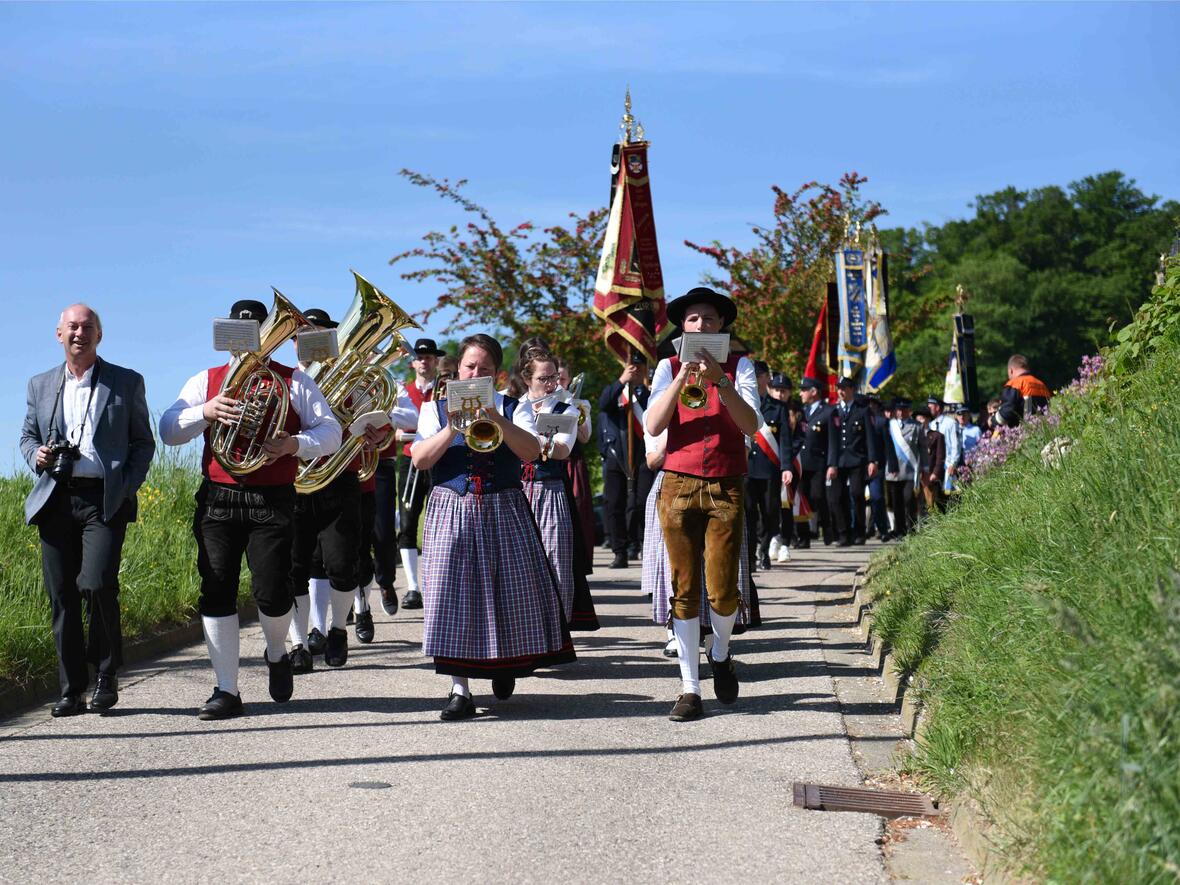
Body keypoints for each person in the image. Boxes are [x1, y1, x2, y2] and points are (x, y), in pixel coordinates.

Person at [159, 299, 341, 720]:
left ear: (267, 334)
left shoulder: (294, 382)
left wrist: (294, 444)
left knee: (273, 592)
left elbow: (331, 432)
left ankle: (277, 653)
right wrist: (205, 411)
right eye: (237, 333)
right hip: (218, 499)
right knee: (216, 587)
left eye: (254, 331)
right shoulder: (206, 380)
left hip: (271, 499)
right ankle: (227, 689)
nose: (244, 342)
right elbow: (169, 430)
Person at [411, 333, 575, 721]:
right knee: (451, 596)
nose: (475, 373)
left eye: (484, 369)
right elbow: (419, 460)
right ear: (457, 370)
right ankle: (459, 688)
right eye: (470, 366)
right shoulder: (435, 409)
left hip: (503, 507)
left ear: (496, 374)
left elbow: (532, 451)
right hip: (451, 508)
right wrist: (453, 427)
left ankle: (504, 666)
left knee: (509, 591)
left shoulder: (512, 407)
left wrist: (495, 417)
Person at [20, 304, 155, 716]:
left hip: (104, 499)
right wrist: (37, 456)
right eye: (72, 327)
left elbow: (143, 443)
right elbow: (27, 436)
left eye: (88, 327)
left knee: (96, 585)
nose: (79, 333)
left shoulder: (126, 382)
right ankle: (71, 689)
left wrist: (125, 485)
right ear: (58, 334)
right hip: (56, 498)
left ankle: (106, 675)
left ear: (100, 335)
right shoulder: (39, 384)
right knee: (61, 596)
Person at [646, 287, 761, 722]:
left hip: (726, 484)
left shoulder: (740, 365)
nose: (700, 326)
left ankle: (722, 650)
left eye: (708, 319)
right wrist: (680, 379)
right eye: (691, 319)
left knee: (724, 590)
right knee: (685, 588)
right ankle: (690, 689)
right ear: (682, 327)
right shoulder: (667, 365)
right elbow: (654, 423)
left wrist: (721, 382)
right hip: (677, 482)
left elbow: (751, 423)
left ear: (721, 326)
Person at [285, 307, 388, 672]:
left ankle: (338, 629)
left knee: (343, 565)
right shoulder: (285, 383)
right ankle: (298, 643)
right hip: (294, 484)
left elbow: (378, 423)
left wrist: (375, 432)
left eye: (321, 337)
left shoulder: (352, 381)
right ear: (293, 343)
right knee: (295, 568)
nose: (310, 344)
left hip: (339, 478)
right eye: (302, 337)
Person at [520, 350, 599, 631]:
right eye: (544, 378)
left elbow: (563, 450)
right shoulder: (515, 407)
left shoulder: (567, 408)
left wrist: (533, 441)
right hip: (517, 492)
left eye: (554, 377)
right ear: (527, 379)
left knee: (557, 561)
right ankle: (526, 629)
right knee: (521, 565)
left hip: (550, 490)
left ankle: (556, 630)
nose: (551, 384)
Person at [389, 337, 446, 610]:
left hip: (439, 460)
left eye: (429, 357)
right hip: (411, 461)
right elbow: (391, 422)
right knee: (408, 521)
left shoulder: (445, 390)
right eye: (419, 357)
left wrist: (407, 432)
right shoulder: (403, 391)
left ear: (436, 361)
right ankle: (413, 587)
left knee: (441, 522)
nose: (424, 360)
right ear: (412, 362)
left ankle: (438, 582)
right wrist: (398, 433)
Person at [598, 354, 654, 568]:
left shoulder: (650, 394)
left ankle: (637, 544)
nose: (636, 370)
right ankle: (619, 551)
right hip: (617, 455)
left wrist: (645, 387)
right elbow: (603, 404)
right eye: (633, 366)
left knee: (642, 504)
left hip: (643, 455)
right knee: (614, 504)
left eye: (640, 367)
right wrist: (622, 381)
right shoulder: (616, 391)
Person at [746, 363, 791, 570]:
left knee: (770, 512)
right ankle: (750, 556)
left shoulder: (778, 407)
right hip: (747, 467)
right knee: (748, 513)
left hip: (769, 468)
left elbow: (784, 440)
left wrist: (787, 467)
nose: (755, 378)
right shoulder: (742, 402)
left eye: (759, 375)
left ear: (766, 378)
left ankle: (764, 549)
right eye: (752, 375)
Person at [827, 377, 879, 546]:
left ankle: (859, 531)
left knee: (857, 494)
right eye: (839, 388)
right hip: (838, 461)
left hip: (857, 459)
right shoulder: (834, 411)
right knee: (836, 497)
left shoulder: (862, 411)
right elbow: (832, 440)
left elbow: (870, 438)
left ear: (852, 390)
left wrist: (872, 460)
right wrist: (831, 463)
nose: (841, 391)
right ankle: (844, 533)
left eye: (845, 388)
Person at [557, 358, 596, 561]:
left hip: (573, 462)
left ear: (569, 379)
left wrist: (572, 408)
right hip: (552, 461)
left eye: (563, 379)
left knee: (579, 510)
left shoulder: (580, 404)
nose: (559, 383)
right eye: (556, 378)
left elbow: (585, 436)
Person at [791, 377, 835, 548]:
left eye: (804, 389)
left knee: (818, 496)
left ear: (814, 392)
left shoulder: (828, 412)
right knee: (800, 498)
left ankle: (827, 527)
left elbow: (833, 441)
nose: (801, 393)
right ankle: (804, 537)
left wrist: (832, 464)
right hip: (800, 463)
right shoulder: (802, 412)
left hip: (818, 463)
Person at [765, 372, 798, 563]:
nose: (780, 394)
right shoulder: (768, 408)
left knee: (787, 505)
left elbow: (799, 438)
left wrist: (791, 463)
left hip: (792, 465)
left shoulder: (797, 411)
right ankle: (773, 537)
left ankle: (785, 542)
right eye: (777, 390)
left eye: (784, 391)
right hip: (774, 465)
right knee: (771, 505)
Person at [884, 398, 919, 539]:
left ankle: (912, 527)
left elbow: (921, 448)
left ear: (909, 410)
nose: (901, 412)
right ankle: (900, 530)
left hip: (909, 469)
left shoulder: (916, 426)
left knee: (909, 499)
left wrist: (926, 468)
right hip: (892, 470)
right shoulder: (889, 425)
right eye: (898, 409)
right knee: (896, 502)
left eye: (904, 409)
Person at [997, 354, 1052, 428]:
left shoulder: (1015, 384)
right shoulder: (1042, 384)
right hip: (1045, 431)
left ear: (1011, 371)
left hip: (1024, 434)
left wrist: (992, 420)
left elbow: (1006, 413)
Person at [915, 406, 947, 516]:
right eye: (917, 419)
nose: (919, 422)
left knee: (931, 503)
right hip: (915, 475)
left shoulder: (936, 436)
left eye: (922, 419)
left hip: (930, 475)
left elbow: (940, 456)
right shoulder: (913, 436)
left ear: (928, 419)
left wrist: (935, 473)